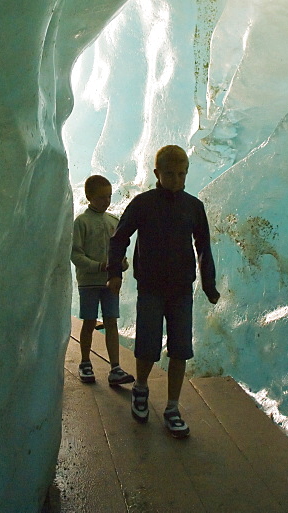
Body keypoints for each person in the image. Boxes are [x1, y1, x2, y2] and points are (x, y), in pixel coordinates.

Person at [106, 145, 220, 438]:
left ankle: (172, 406)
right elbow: (119, 238)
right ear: (157, 173)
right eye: (170, 174)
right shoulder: (143, 204)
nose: (177, 180)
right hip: (151, 288)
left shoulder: (193, 206)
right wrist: (115, 273)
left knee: (180, 348)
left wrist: (208, 284)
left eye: (182, 174)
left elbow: (203, 246)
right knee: (147, 343)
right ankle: (141, 388)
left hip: (182, 289)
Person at [71, 174, 135, 387]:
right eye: (100, 198)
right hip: (89, 282)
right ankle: (85, 362)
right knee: (89, 322)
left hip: (109, 282)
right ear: (89, 197)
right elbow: (75, 254)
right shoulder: (81, 222)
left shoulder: (113, 221)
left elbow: (119, 251)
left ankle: (115, 367)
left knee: (111, 322)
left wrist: (121, 265)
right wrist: (98, 266)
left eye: (108, 197)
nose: (106, 201)